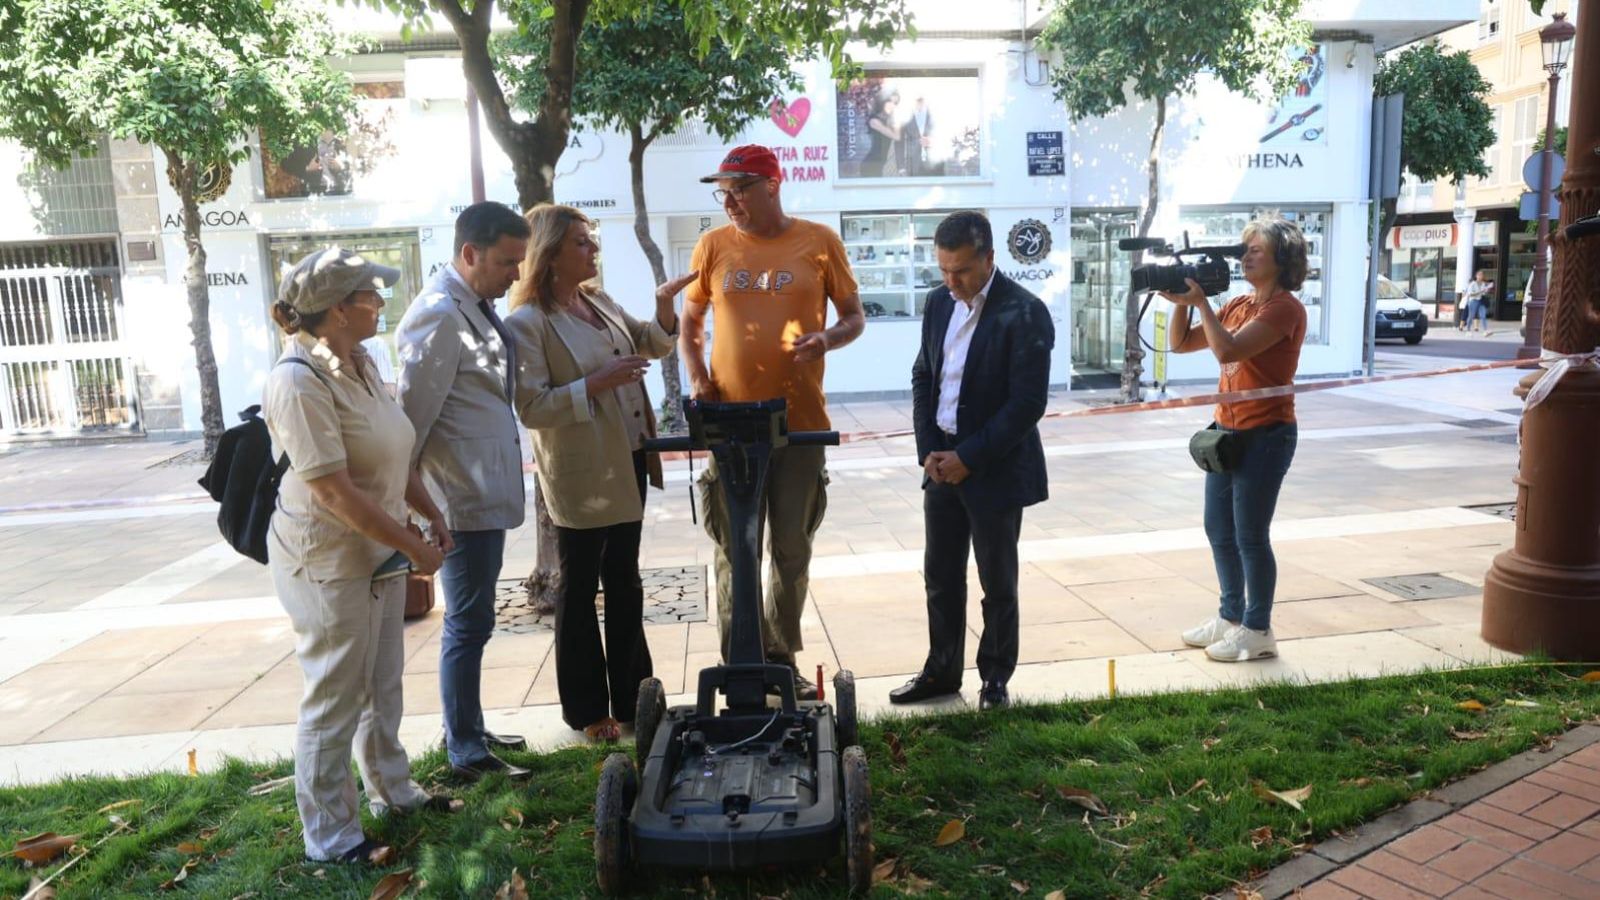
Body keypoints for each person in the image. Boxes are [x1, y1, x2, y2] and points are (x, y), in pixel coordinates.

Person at [264, 247, 458, 865]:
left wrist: (427, 513)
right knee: (334, 697)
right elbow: (333, 490)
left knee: (382, 684)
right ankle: (331, 836)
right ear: (339, 308)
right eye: (371, 295)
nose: (381, 303)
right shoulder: (298, 380)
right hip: (328, 559)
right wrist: (414, 548)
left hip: (379, 549)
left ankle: (393, 791)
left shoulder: (360, 360)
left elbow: (392, 450)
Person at [683, 144, 866, 699]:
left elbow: (855, 317)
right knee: (735, 548)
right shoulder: (713, 246)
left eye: (740, 189)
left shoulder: (819, 242)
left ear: (772, 185)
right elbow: (690, 323)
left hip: (799, 424)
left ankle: (780, 663)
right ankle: (741, 664)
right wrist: (698, 378)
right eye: (724, 192)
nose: (730, 201)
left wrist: (828, 338)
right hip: (730, 425)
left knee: (791, 549)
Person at [505, 205, 694, 742]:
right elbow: (532, 407)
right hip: (579, 474)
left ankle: (638, 700)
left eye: (591, 241)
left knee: (626, 580)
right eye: (582, 243)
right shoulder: (528, 323)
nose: (593, 251)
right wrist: (595, 383)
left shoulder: (597, 299)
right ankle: (588, 711)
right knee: (580, 587)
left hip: (628, 456)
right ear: (552, 255)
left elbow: (650, 343)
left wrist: (662, 307)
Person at [890, 211, 1053, 712]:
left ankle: (995, 679)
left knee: (997, 580)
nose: (950, 281)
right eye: (942, 269)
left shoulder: (1024, 312)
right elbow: (924, 374)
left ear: (988, 258)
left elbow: (1027, 404)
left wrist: (969, 458)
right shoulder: (940, 304)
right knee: (940, 574)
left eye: (960, 270)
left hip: (995, 468)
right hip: (940, 460)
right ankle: (942, 671)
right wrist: (928, 451)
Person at [396, 202, 533, 781]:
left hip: (479, 492)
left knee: (475, 621)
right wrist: (417, 510)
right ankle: (465, 750)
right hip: (457, 499)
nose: (516, 276)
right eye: (507, 262)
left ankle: (471, 728)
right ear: (469, 254)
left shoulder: (471, 306)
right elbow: (410, 423)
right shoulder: (438, 314)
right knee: (468, 623)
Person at [1163, 214, 1309, 663]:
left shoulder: (1284, 308)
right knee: (1218, 529)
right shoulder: (1241, 304)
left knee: (1250, 534)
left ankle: (1258, 628)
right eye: (1245, 248)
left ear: (1282, 260)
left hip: (1267, 433)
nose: (1245, 256)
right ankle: (1230, 618)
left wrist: (1203, 303)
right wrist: (1184, 301)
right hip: (1227, 431)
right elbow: (1181, 342)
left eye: (1256, 250)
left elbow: (1227, 350)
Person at [865, 93, 901, 177]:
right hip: (872, 164)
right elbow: (896, 136)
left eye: (895, 103)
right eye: (890, 102)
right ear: (883, 102)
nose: (892, 105)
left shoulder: (890, 120)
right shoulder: (874, 120)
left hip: (885, 164)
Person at [902, 96, 935, 176]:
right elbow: (899, 141)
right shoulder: (904, 114)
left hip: (934, 166)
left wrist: (932, 142)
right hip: (912, 164)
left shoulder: (936, 112)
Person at [1461, 269, 1493, 334]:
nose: (1481, 276)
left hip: (1481, 301)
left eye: (1482, 275)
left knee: (1483, 316)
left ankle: (1485, 331)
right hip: (1473, 301)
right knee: (1471, 316)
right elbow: (1470, 294)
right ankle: (1468, 330)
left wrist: (1486, 290)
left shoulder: (1483, 284)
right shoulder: (1472, 284)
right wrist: (1481, 291)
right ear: (1476, 276)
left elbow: (1483, 293)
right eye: (1479, 275)